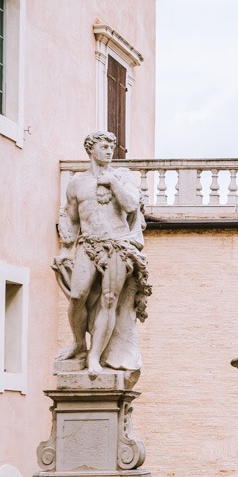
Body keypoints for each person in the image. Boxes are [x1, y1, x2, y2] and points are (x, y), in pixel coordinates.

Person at [53, 131, 150, 376]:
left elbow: (130, 205)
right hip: (87, 244)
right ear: (90, 150)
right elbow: (73, 219)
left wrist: (112, 183)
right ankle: (78, 343)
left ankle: (95, 357)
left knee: (109, 300)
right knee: (77, 295)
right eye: (103, 146)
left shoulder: (122, 177)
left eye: (111, 146)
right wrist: (65, 249)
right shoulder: (76, 183)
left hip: (116, 246)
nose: (109, 150)